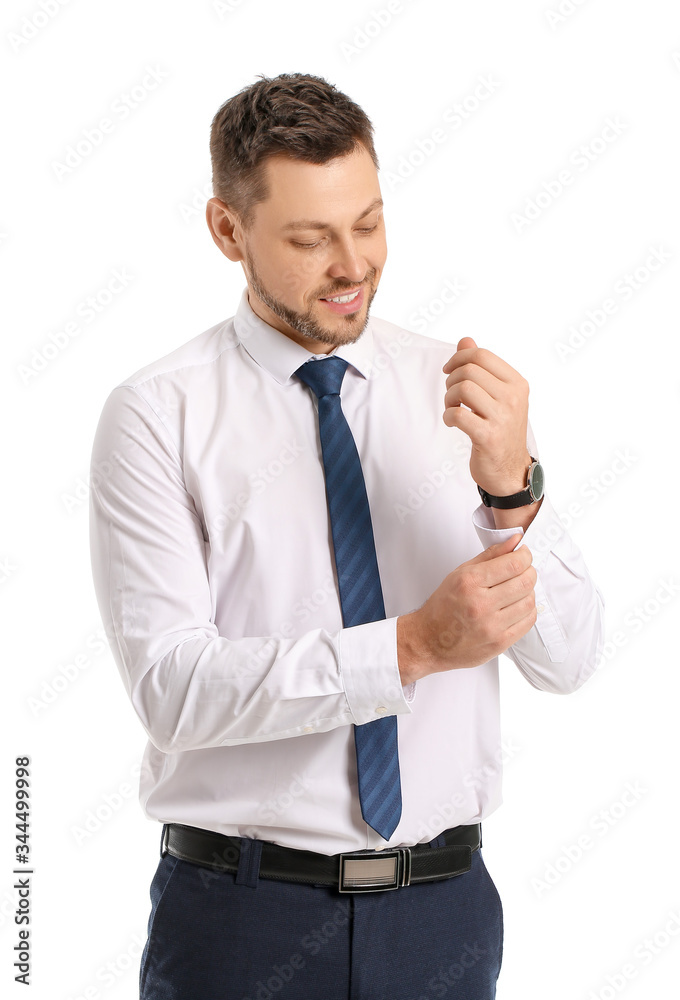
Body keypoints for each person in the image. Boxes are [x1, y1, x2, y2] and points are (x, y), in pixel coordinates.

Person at [88, 72, 604, 1000]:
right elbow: (172, 688)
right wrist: (409, 647)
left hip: (442, 915)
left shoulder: (457, 390)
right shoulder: (155, 416)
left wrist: (511, 487)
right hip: (242, 922)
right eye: (311, 238)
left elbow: (569, 660)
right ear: (227, 231)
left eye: (367, 223)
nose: (354, 265)